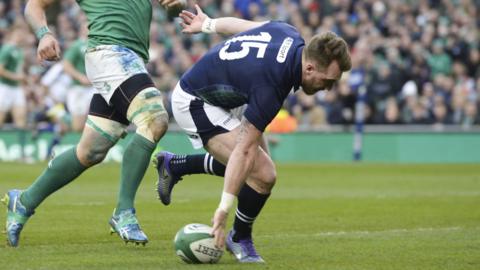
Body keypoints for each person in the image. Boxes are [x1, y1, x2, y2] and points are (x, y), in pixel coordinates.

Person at [155, 5, 352, 263]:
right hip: (197, 100)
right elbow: (244, 151)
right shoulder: (272, 84)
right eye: (327, 81)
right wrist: (223, 209)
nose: (327, 89)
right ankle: (239, 237)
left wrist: (209, 25)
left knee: (257, 171)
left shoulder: (289, 33)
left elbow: (244, 27)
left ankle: (175, 164)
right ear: (310, 69)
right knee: (262, 173)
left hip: (229, 93)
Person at [2, 0, 185, 247]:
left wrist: (176, 5)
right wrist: (44, 34)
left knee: (91, 151)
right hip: (110, 54)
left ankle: (24, 200)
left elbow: (172, 9)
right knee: (154, 119)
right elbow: (34, 5)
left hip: (132, 59)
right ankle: (124, 212)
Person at [0, 22, 30, 160]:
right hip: (5, 87)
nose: (21, 36)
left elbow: (18, 70)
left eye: (22, 34)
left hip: (16, 88)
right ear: (12, 34)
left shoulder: (19, 50)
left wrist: (23, 80)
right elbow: (1, 70)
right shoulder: (7, 49)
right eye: (18, 34)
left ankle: (22, 154)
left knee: (21, 119)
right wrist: (18, 77)